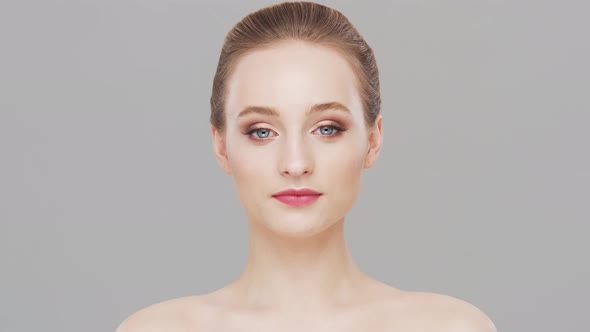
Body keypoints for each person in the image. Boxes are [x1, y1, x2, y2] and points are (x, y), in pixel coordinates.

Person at [117, 2, 497, 331]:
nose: (296, 164)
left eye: (327, 129)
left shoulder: (449, 328)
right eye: (262, 132)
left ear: (373, 139)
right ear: (221, 145)